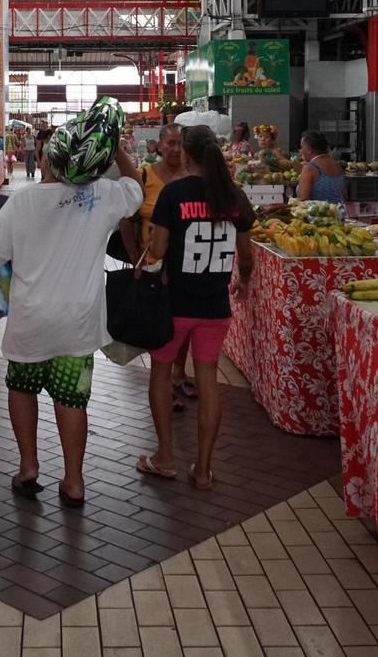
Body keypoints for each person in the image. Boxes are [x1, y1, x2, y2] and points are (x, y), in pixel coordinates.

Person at [0, 132, 143, 507]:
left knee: (22, 389)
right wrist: (115, 146)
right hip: (79, 322)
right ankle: (74, 481)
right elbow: (135, 188)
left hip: (30, 320)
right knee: (72, 400)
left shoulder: (21, 203)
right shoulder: (101, 195)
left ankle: (28, 467)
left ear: (43, 161)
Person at [135, 126, 254, 491]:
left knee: (159, 375)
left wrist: (149, 255)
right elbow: (246, 256)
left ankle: (165, 458)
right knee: (209, 383)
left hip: (174, 303)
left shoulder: (174, 194)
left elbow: (157, 250)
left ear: (185, 154)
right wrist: (243, 282)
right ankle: (203, 469)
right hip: (215, 307)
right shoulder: (233, 196)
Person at [115, 124, 194, 408]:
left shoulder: (194, 179)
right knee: (158, 323)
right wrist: (135, 256)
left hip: (186, 268)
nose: (176, 149)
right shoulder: (145, 176)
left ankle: (178, 373)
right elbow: (127, 220)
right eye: (171, 143)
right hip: (151, 265)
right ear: (159, 146)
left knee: (181, 324)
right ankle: (163, 382)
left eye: (181, 144)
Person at [296, 130, 345, 204]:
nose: (301, 151)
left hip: (319, 214)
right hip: (338, 213)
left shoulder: (309, 168)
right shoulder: (337, 165)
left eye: (302, 147)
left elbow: (303, 200)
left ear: (309, 150)